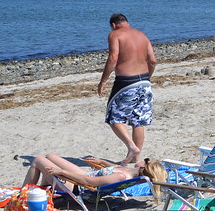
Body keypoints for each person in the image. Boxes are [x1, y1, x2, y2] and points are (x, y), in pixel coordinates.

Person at [98, 13, 157, 164]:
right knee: (138, 121)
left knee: (113, 117)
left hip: (125, 82)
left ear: (113, 24)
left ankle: (132, 147)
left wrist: (103, 80)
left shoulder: (115, 34)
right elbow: (152, 60)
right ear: (127, 22)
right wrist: (147, 77)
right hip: (144, 82)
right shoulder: (141, 35)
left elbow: (113, 58)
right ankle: (137, 159)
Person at [22, 153, 167, 198]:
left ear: (144, 166)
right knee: (50, 156)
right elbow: (113, 168)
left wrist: (62, 173)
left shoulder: (122, 178)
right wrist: (101, 161)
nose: (144, 159)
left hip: (78, 187)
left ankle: (23, 194)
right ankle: (42, 188)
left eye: (147, 161)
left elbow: (88, 181)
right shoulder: (130, 172)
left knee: (39, 160)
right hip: (85, 176)